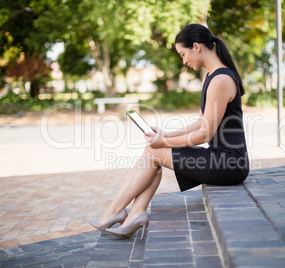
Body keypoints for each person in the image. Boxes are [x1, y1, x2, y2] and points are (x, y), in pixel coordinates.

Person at [89, 23, 250, 239]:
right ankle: (133, 213)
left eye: (184, 54)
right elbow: (201, 122)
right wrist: (165, 135)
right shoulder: (211, 76)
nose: (184, 60)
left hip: (229, 163)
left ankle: (115, 212)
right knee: (152, 151)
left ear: (196, 47)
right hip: (219, 158)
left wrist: (162, 143)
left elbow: (205, 134)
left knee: (154, 151)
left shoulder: (221, 79)